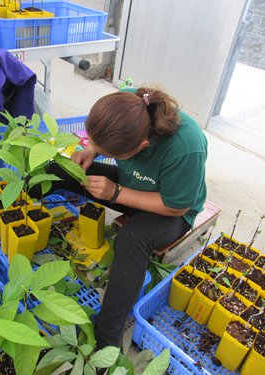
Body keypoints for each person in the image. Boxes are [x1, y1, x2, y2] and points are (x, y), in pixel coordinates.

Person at [50, 86, 207, 349]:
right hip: (129, 186)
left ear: (142, 145)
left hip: (169, 209)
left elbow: (176, 206)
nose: (99, 150)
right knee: (58, 169)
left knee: (132, 238)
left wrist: (116, 193)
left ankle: (107, 337)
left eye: (111, 153)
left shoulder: (186, 147)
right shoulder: (129, 103)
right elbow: (102, 141)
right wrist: (90, 152)